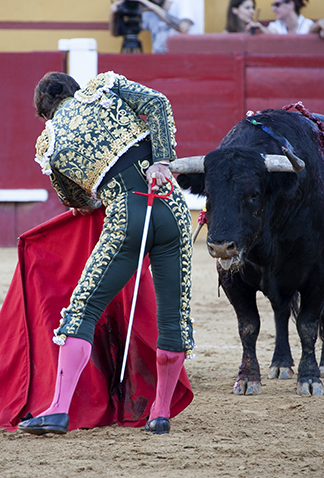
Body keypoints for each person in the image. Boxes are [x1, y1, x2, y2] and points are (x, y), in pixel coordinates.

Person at [18, 71, 194, 435]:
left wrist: (97, 194)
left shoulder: (49, 143)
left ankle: (59, 409)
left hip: (125, 215)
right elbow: (158, 103)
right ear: (75, 90)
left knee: (83, 307)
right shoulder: (104, 89)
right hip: (171, 207)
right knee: (173, 316)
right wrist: (161, 161)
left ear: (45, 112)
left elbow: (76, 202)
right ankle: (159, 413)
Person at [110, 0, 203, 53]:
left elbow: (183, 28)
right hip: (160, 62)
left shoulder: (181, 3)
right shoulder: (149, 13)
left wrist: (153, 8)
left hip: (182, 59)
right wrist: (115, 15)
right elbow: (117, 33)